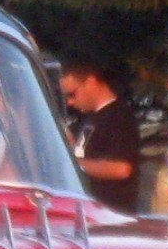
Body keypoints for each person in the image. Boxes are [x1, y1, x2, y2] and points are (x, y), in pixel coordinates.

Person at [57, 55, 140, 213]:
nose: (70, 102)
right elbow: (87, 153)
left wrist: (71, 164)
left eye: (72, 94)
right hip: (86, 211)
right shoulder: (91, 117)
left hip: (110, 214)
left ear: (90, 82)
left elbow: (121, 168)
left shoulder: (119, 115)